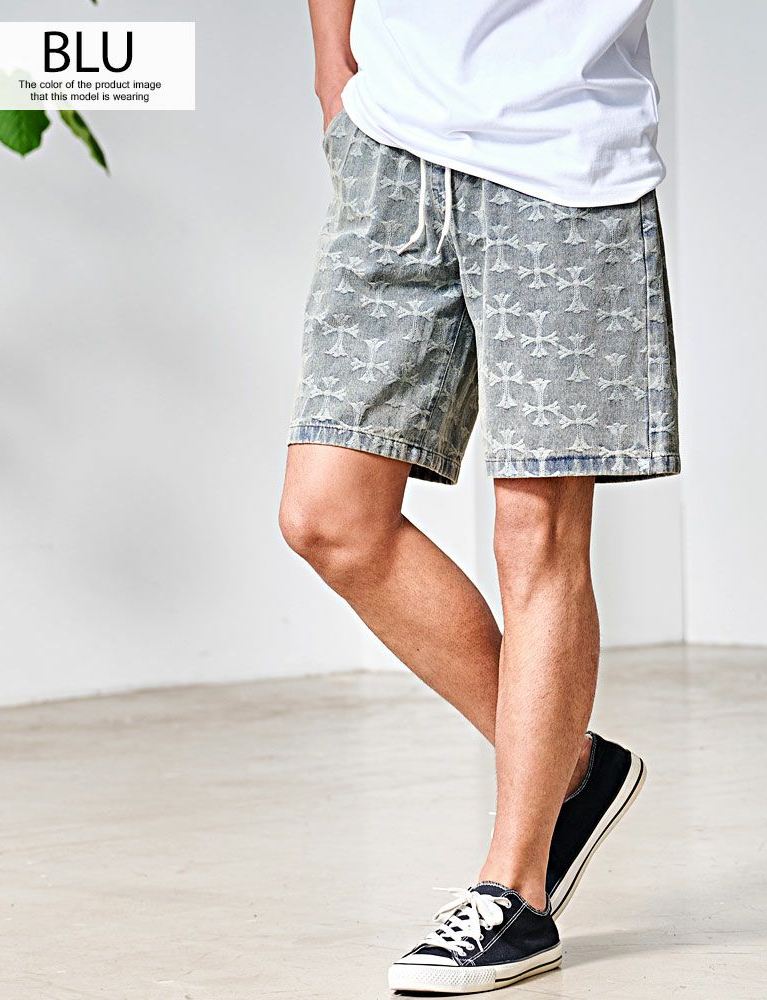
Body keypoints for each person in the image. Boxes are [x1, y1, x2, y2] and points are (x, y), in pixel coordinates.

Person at [279, 0, 678, 992]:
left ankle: (516, 893)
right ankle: (569, 769)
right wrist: (335, 73)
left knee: (534, 534)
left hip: (564, 164)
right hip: (392, 148)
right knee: (329, 518)